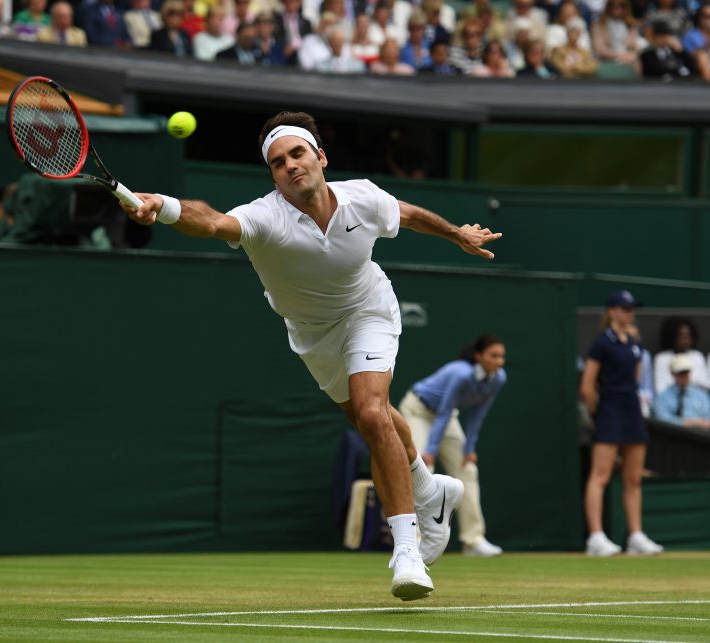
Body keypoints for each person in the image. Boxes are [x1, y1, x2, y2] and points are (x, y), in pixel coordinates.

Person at [122, 111, 502, 600]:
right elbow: (214, 221)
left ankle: (407, 549)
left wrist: (457, 234)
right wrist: (167, 207)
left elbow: (405, 213)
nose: (290, 166)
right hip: (312, 337)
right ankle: (431, 491)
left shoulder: (361, 197)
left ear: (320, 157)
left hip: (369, 311)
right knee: (377, 417)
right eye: (279, 163)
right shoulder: (264, 218)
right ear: (274, 176)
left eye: (298, 154)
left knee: (370, 411)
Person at [398, 335, 506, 557]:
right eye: (493, 356)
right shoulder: (461, 374)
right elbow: (445, 409)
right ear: (479, 357)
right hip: (418, 410)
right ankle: (416, 542)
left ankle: (473, 540)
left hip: (445, 419)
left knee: (467, 470)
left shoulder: (498, 378)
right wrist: (430, 450)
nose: (499, 361)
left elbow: (478, 413)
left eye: (502, 356)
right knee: (422, 471)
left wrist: (470, 449)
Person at [579, 290, 663, 557]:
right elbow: (587, 387)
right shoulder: (602, 343)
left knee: (633, 478)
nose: (630, 313)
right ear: (612, 311)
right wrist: (599, 413)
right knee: (600, 475)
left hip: (632, 411)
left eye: (631, 309)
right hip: (610, 411)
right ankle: (595, 537)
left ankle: (636, 536)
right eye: (625, 309)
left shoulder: (635, 342)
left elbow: (636, 380)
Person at [652, 354, 710, 429]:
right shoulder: (662, 398)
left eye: (686, 372)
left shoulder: (702, 396)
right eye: (680, 373)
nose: (684, 376)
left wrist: (684, 423)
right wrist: (690, 423)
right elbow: (664, 422)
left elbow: (709, 423)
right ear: (673, 373)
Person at [653, 316, 709, 395]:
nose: (685, 339)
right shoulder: (662, 358)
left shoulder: (697, 357)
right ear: (672, 336)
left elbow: (704, 386)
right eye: (681, 335)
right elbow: (660, 388)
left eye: (688, 336)